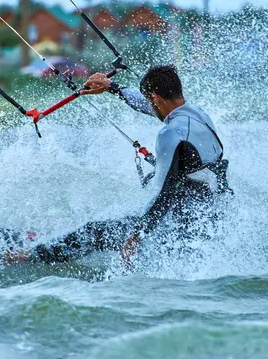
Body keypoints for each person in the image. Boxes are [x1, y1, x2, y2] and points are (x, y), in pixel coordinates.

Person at [30, 65, 231, 266]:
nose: (149, 107)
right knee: (120, 221)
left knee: (95, 232)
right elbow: (148, 106)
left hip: (182, 225)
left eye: (150, 101)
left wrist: (135, 237)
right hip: (210, 214)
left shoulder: (170, 134)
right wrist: (112, 87)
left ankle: (29, 257)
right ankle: (48, 244)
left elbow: (163, 195)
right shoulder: (198, 115)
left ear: (156, 99)